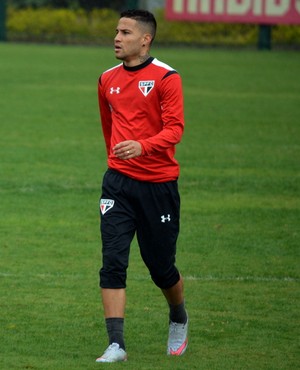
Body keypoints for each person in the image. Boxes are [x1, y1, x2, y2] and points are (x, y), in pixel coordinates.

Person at [96, 9, 188, 363]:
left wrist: (142, 146)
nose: (117, 38)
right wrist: (116, 162)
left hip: (158, 185)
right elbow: (109, 125)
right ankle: (116, 344)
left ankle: (178, 314)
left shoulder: (167, 77)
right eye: (116, 31)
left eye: (125, 32)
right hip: (118, 184)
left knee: (160, 267)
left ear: (145, 39)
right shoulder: (106, 78)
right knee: (113, 262)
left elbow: (175, 129)